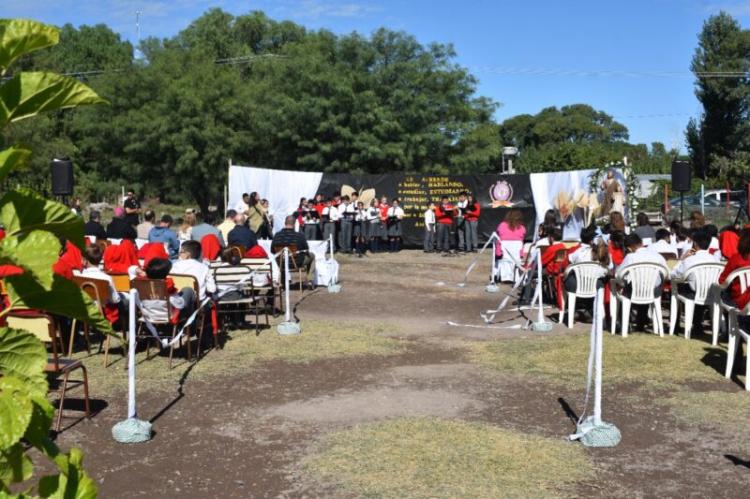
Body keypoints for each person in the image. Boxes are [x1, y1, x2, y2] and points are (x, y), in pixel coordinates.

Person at [670, 229, 715, 299]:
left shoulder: (689, 260)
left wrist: (682, 259)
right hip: (712, 293)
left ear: (695, 243)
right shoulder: (715, 260)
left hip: (693, 293)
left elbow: (674, 274)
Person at [271, 215, 315, 287]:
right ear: (294, 224)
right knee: (312, 255)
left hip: (281, 262)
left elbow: (272, 251)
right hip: (296, 263)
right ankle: (310, 280)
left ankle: (283, 283)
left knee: (282, 258)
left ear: (284, 223)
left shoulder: (277, 235)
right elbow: (306, 249)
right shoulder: (299, 236)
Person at [719, 228, 750, 312]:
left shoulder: (736, 258)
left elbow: (722, 281)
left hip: (741, 299)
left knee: (722, 293)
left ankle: (725, 323)